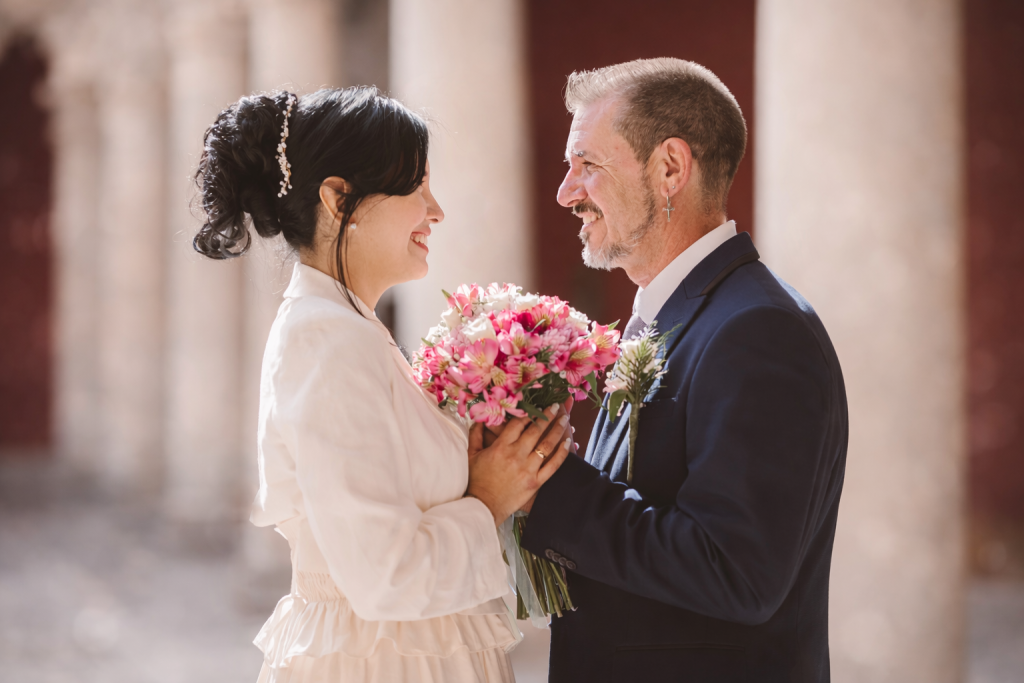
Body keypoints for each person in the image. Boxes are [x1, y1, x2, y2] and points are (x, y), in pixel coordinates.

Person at [192, 86, 572, 683]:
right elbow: (385, 574)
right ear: (339, 199)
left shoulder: (352, 331)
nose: (436, 210)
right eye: (416, 186)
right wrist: (487, 501)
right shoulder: (326, 341)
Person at [518, 58, 849, 682]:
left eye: (587, 164)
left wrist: (546, 488)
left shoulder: (759, 331)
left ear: (669, 168)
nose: (565, 191)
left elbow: (735, 571)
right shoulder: (672, 316)